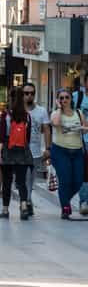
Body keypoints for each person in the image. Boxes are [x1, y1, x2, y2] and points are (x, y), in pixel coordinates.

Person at [0, 87, 34, 220]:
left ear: (10, 99)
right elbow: (28, 138)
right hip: (22, 152)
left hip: (8, 151)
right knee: (21, 181)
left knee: (7, 181)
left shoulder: (5, 115)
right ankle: (23, 206)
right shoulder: (27, 116)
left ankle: (5, 210)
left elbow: (1, 136)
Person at [50, 89, 88, 219]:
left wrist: (83, 129)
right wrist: (60, 108)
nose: (64, 100)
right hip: (60, 151)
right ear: (58, 100)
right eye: (61, 98)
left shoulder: (79, 113)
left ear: (71, 99)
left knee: (78, 181)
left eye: (66, 97)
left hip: (77, 151)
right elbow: (56, 123)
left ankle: (65, 200)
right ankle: (65, 207)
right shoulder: (55, 113)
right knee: (65, 180)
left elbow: (85, 128)